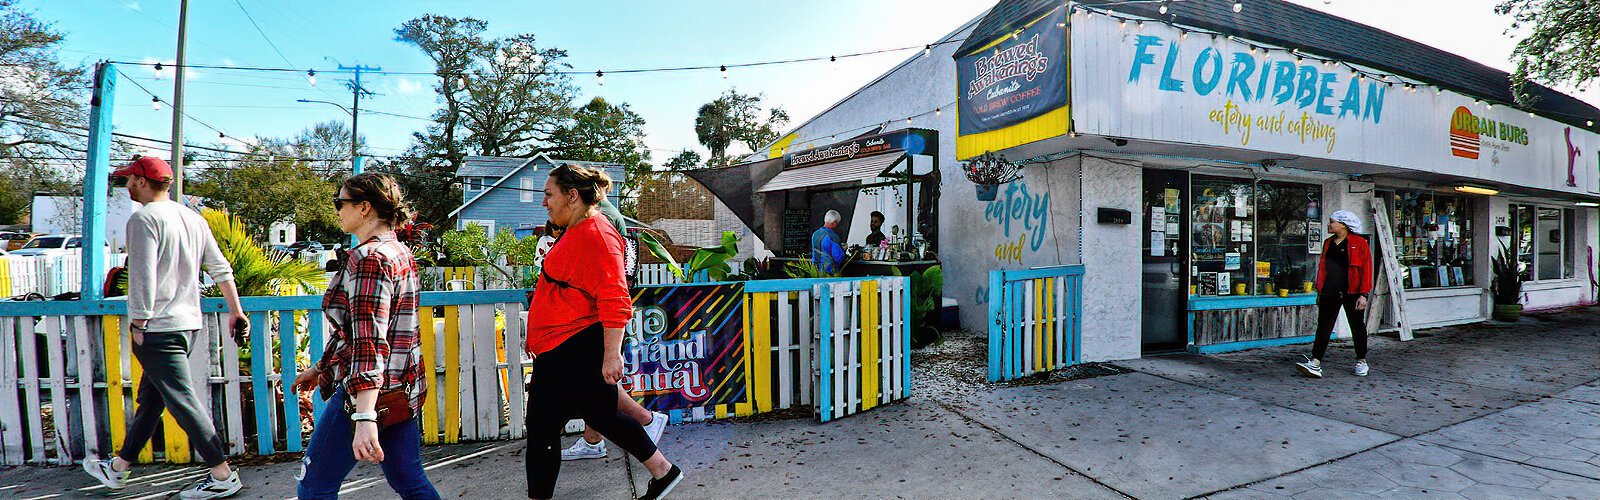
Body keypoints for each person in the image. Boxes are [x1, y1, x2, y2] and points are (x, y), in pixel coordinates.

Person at [83, 156, 250, 499]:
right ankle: (118, 469)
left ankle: (222, 475)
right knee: (154, 398)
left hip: (157, 326)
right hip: (187, 325)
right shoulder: (192, 218)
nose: (127, 185)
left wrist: (139, 322)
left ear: (143, 182)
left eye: (130, 179)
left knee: (182, 400)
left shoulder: (144, 218)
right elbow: (221, 269)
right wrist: (236, 311)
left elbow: (142, 277)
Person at [525, 164, 683, 500]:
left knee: (542, 427)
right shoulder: (579, 230)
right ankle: (663, 471)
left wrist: (612, 354)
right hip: (564, 344)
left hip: (573, 344)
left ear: (572, 196)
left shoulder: (597, 234)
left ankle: (664, 471)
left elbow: (615, 296)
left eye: (548, 194)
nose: (544, 203)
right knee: (599, 413)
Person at [291, 173, 440, 499]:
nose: (336, 210)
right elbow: (375, 330)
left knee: (314, 489)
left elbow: (369, 342)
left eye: (340, 203)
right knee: (409, 481)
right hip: (400, 389)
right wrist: (322, 368)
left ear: (364, 207)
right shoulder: (399, 252)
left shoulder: (369, 260)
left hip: (366, 395)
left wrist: (364, 415)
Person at [1296, 210, 1374, 379]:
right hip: (1329, 291)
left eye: (1332, 222)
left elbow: (1367, 270)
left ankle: (1361, 360)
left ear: (1343, 224)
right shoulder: (1327, 243)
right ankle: (1315, 362)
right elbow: (1323, 268)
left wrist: (1364, 294)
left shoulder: (1359, 243)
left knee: (1357, 325)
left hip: (1352, 291)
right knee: (1323, 326)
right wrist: (1320, 290)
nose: (1329, 225)